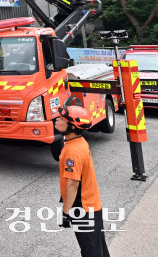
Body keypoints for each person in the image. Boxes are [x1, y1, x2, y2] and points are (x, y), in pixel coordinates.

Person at [54, 105, 110, 257]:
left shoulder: (73, 151)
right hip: (91, 205)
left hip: (83, 208)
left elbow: (73, 184)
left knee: (91, 251)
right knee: (98, 247)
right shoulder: (78, 142)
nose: (56, 119)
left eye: (60, 119)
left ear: (71, 126)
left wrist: (66, 212)